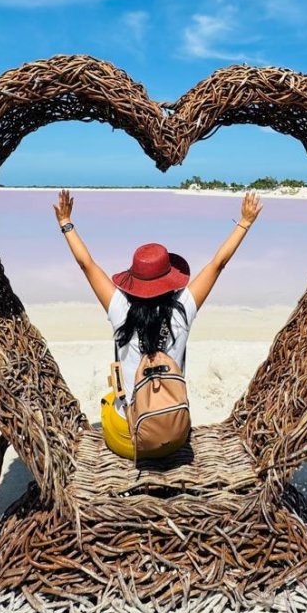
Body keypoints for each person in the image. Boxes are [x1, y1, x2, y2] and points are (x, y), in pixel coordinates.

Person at [53, 187, 263, 459]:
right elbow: (217, 264)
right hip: (173, 434)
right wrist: (245, 222)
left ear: (133, 281)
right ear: (170, 279)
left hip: (129, 441)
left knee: (108, 401)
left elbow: (87, 265)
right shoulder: (182, 310)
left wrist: (65, 223)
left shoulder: (120, 310)